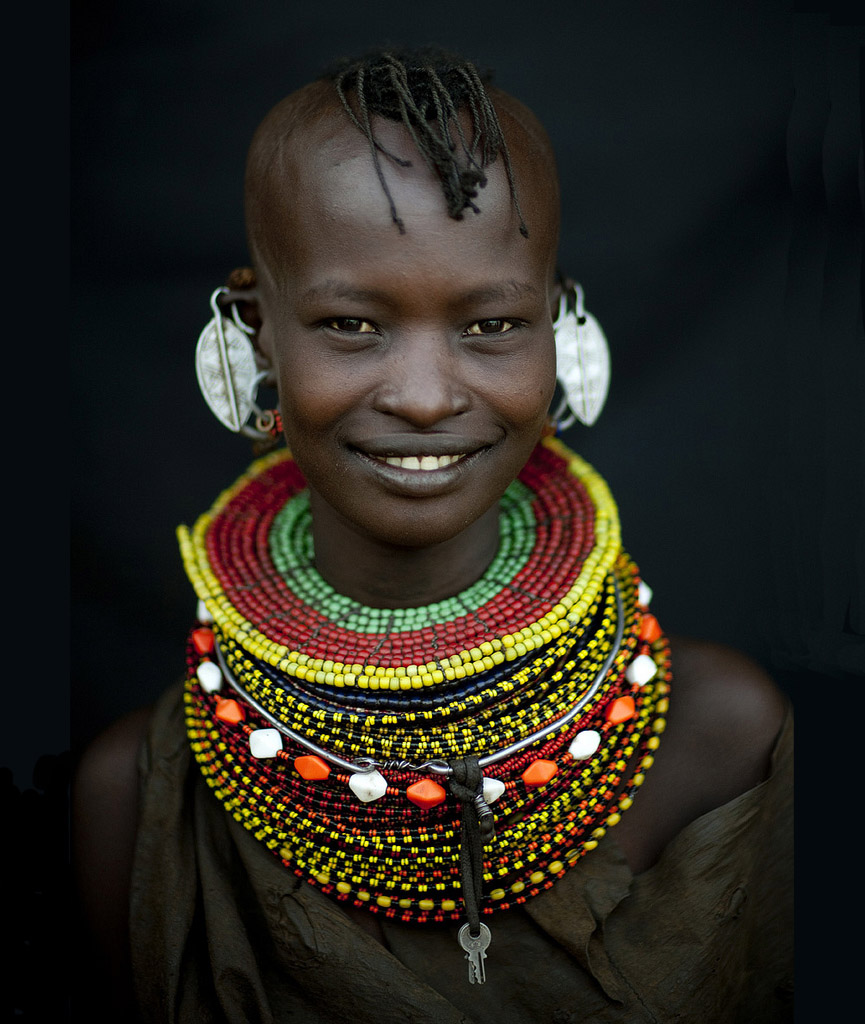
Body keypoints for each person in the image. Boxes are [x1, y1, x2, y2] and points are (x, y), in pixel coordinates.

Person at [72, 46, 793, 1023]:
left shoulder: (726, 739)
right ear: (255, 330)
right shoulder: (135, 801)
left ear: (558, 322)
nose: (422, 397)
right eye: (351, 324)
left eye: (491, 325)